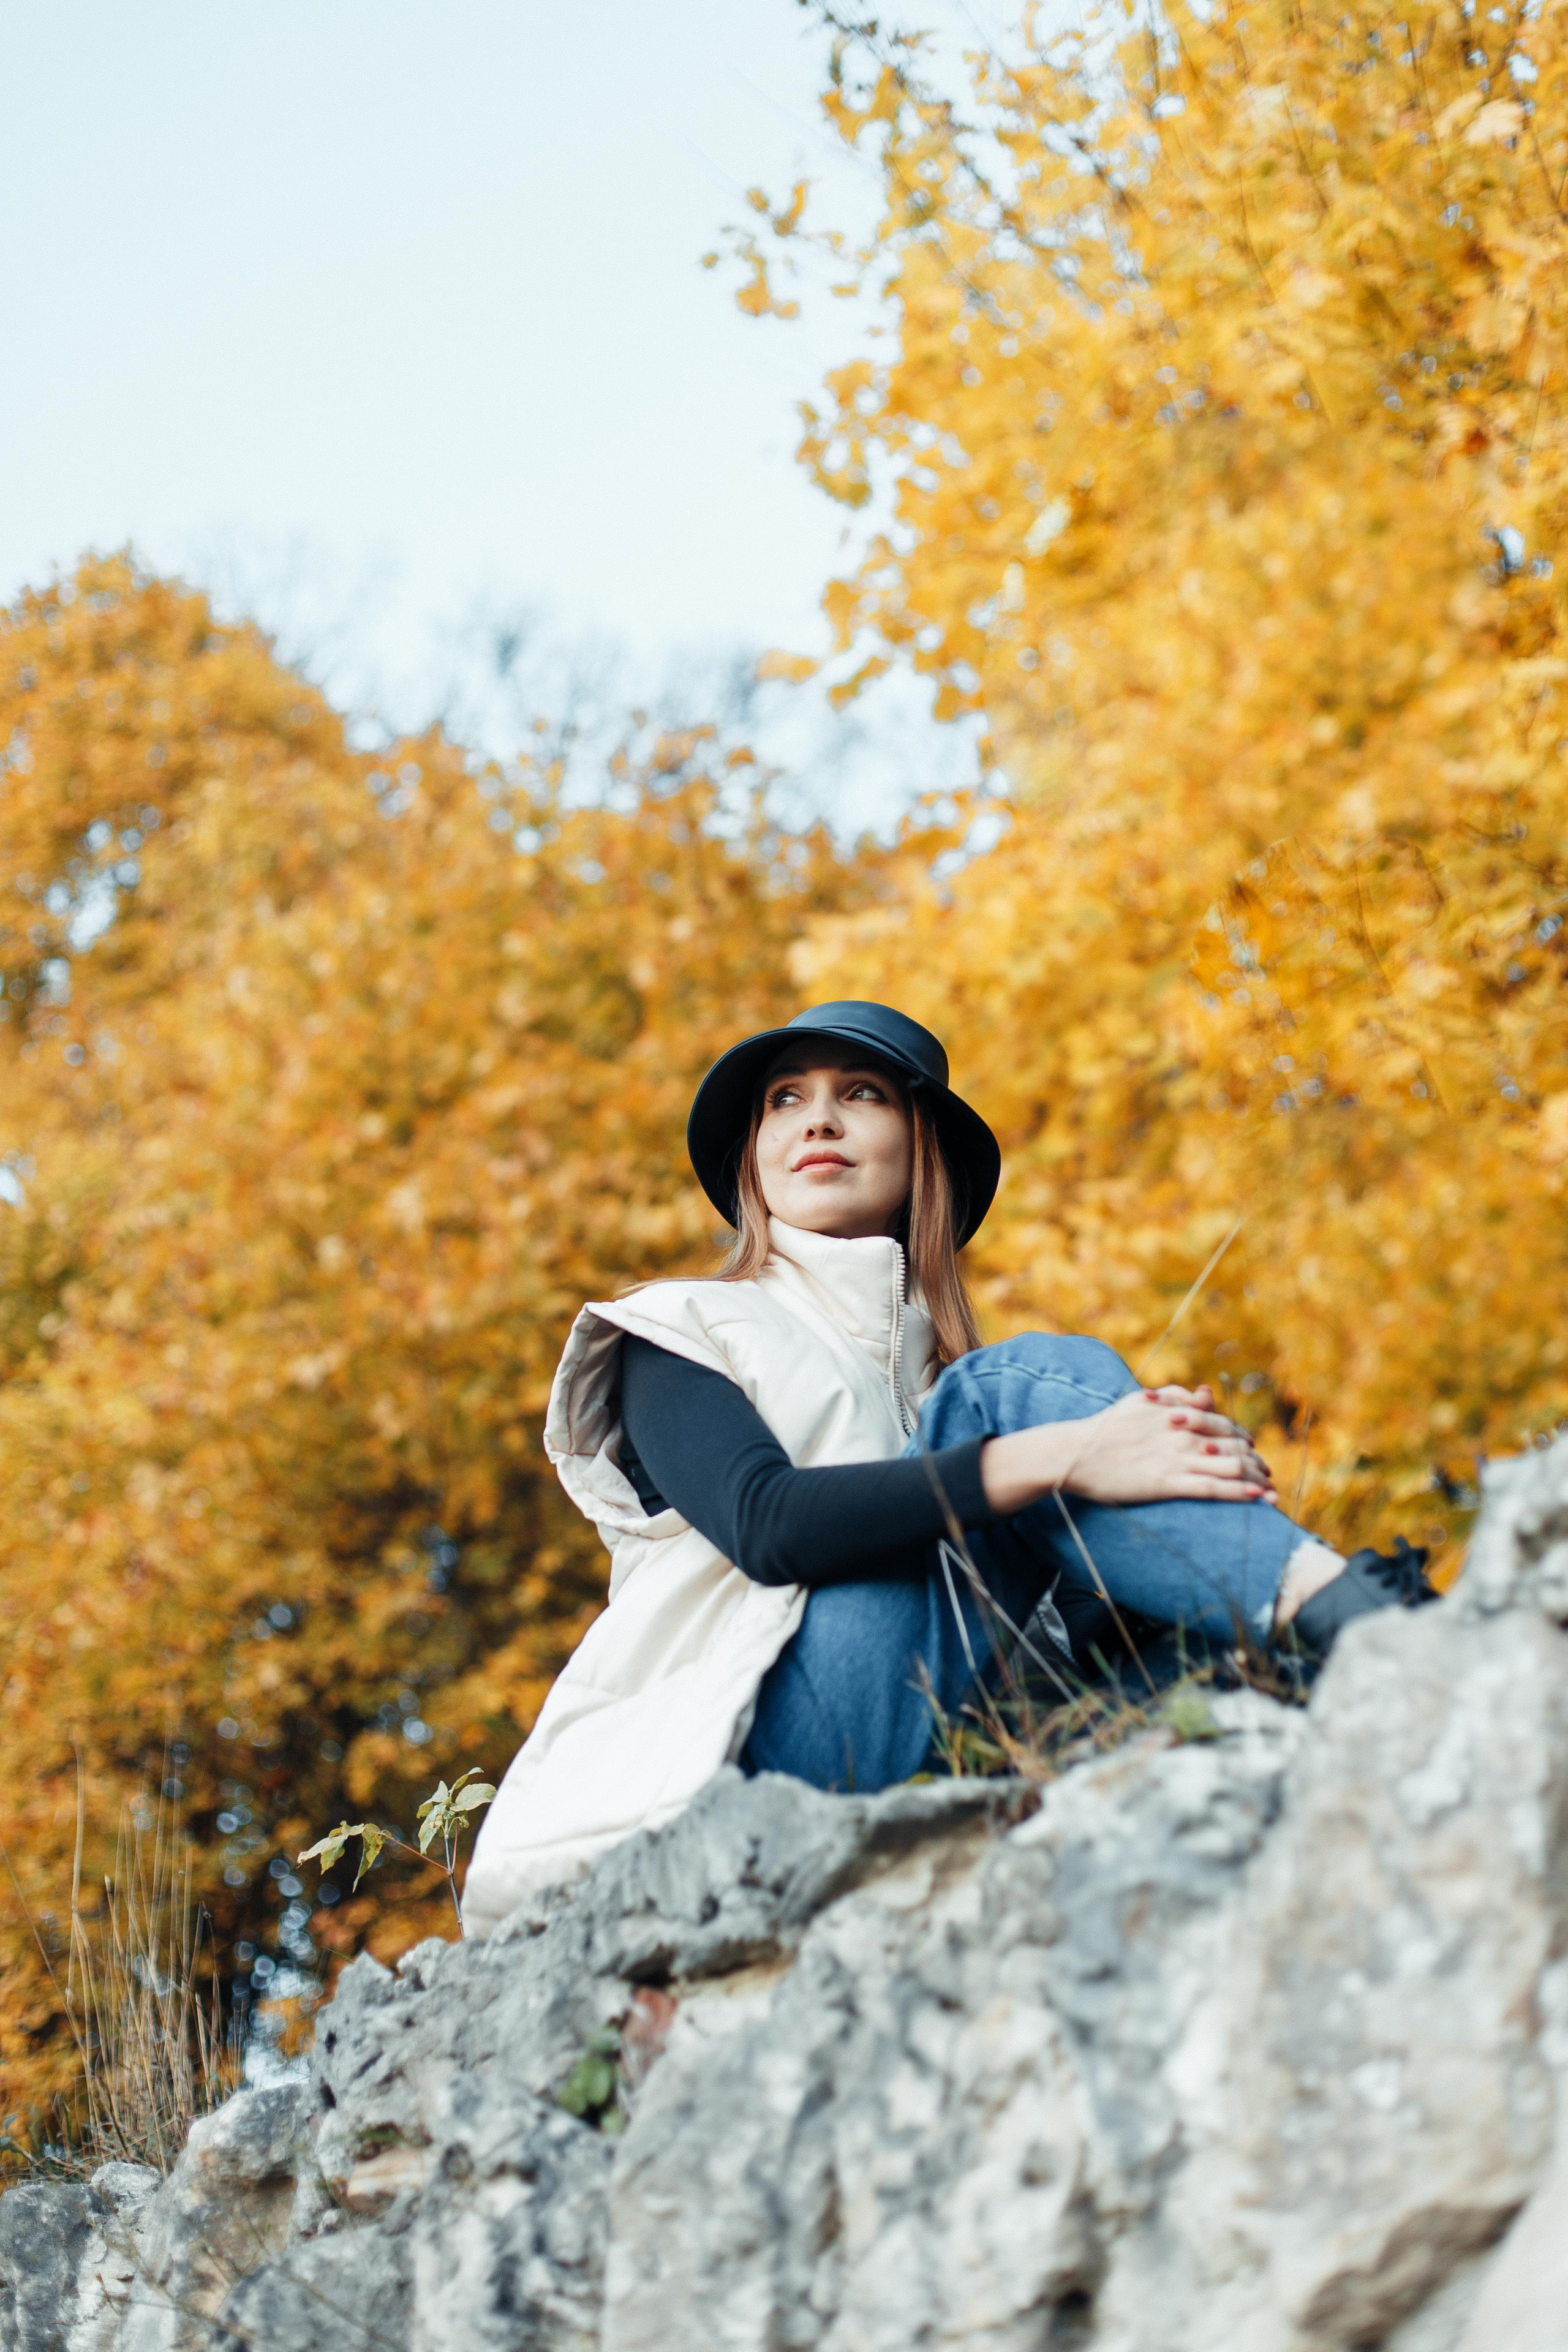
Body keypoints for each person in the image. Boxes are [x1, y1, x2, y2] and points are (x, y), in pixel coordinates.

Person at [461, 1001, 1434, 1934]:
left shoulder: (945, 1388)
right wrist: (1073, 1452)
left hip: (947, 1724)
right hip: (739, 1760)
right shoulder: (677, 1328)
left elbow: (1078, 1616)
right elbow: (770, 1527)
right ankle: (1364, 1622)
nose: (820, 1121)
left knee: (1070, 1452)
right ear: (753, 1161)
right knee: (1016, 1386)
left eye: (864, 1094)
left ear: (920, 1145)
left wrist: (1167, 1484)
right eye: (785, 1101)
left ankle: (1302, 1621)